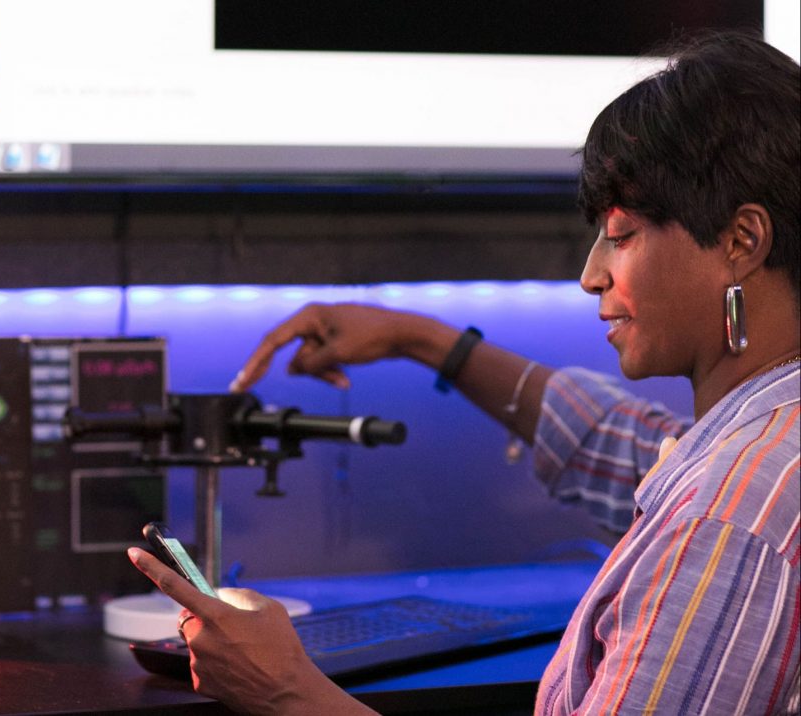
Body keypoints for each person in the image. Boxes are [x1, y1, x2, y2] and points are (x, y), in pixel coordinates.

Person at [128, 30, 800, 715]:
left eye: (621, 235)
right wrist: (417, 339)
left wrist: (287, 690)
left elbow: (710, 502)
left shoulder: (723, 522)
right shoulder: (768, 447)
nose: (590, 274)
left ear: (741, 241)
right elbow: (626, 444)